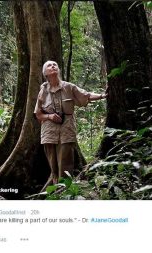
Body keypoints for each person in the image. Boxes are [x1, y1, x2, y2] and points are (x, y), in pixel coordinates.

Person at [34, 60, 107, 189]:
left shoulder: (68, 87)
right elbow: (38, 114)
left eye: (55, 64)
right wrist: (50, 116)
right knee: (53, 165)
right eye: (49, 65)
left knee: (66, 162)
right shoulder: (43, 91)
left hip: (67, 129)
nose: (53, 66)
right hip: (49, 131)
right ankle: (54, 188)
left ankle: (65, 190)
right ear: (45, 73)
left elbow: (87, 96)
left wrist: (103, 95)